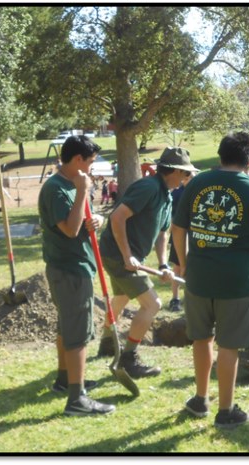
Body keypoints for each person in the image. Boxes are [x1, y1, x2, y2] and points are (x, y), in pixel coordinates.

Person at [172, 131, 249, 428]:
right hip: (237, 282)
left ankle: (200, 399)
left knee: (201, 338)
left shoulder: (196, 182)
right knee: (229, 345)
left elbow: (178, 227)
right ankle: (226, 411)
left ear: (220, 158)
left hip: (198, 277)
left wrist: (183, 264)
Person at [96, 147, 199, 379]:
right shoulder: (148, 187)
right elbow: (117, 217)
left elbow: (163, 233)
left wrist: (163, 265)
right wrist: (126, 255)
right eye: (185, 173)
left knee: (121, 299)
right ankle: (129, 358)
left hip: (131, 257)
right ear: (173, 171)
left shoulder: (167, 194)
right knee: (153, 304)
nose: (187, 178)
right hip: (117, 254)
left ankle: (106, 343)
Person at [38, 135, 115, 416]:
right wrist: (83, 190)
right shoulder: (57, 188)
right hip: (68, 269)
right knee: (77, 335)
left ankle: (63, 380)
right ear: (78, 160)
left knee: (66, 327)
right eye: (91, 162)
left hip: (77, 266)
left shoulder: (73, 185)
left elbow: (82, 220)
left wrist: (98, 219)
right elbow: (70, 230)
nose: (92, 169)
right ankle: (76, 398)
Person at [168, 170, 196, 312]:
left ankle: (191, 298)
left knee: (194, 267)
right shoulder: (177, 193)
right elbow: (171, 212)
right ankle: (175, 299)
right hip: (179, 234)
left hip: (195, 235)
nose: (191, 179)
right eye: (188, 177)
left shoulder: (199, 193)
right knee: (178, 267)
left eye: (193, 177)